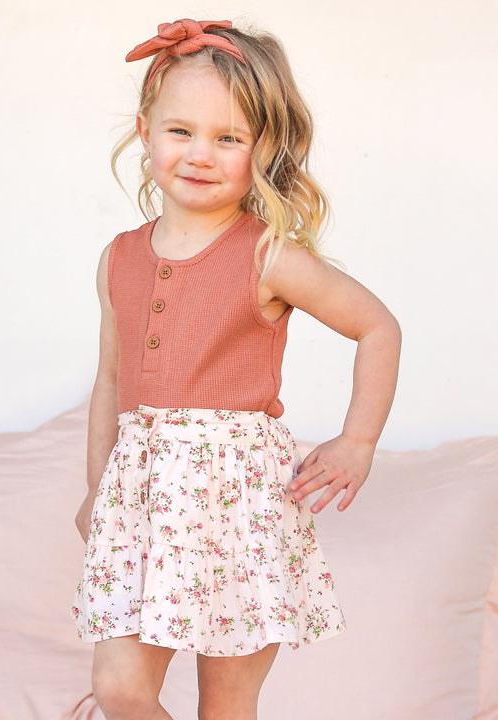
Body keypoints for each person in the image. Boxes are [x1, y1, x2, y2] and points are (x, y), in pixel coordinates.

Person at [72, 19, 401, 720]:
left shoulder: (269, 256)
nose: (200, 154)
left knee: (225, 704)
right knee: (121, 689)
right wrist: (100, 489)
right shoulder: (118, 257)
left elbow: (377, 327)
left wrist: (358, 441)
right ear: (145, 131)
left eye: (229, 138)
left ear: (264, 149)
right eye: (180, 131)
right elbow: (110, 382)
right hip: (141, 506)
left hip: (240, 506)